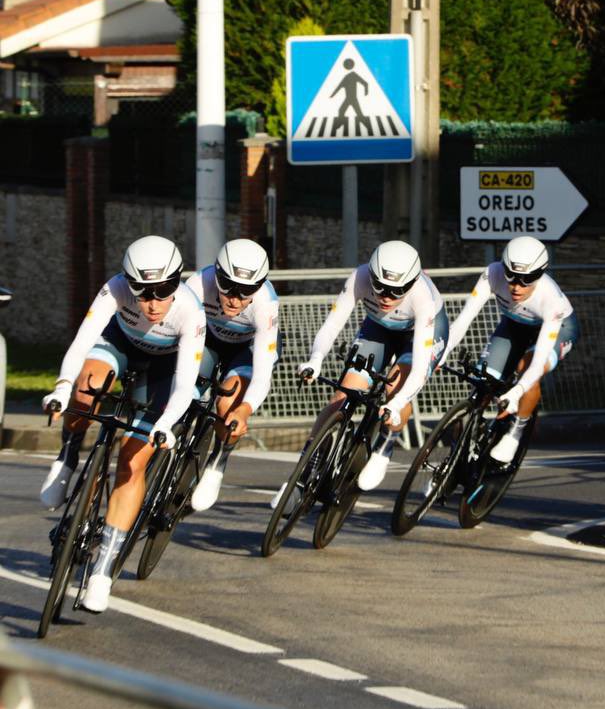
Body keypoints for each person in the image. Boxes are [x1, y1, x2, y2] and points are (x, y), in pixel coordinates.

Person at [40, 236, 205, 613]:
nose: (151, 303)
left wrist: (166, 424)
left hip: (164, 370)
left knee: (133, 462)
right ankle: (67, 457)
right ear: (128, 284)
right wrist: (62, 390)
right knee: (85, 390)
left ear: (177, 282)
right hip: (120, 344)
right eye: (142, 292)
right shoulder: (114, 289)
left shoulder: (190, 313)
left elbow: (185, 382)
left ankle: (102, 570)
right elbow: (81, 343)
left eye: (163, 291)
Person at [293, 240, 448, 492]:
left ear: (410, 285)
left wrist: (395, 404)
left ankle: (385, 445)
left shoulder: (422, 297)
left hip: (418, 336)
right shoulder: (360, 276)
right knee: (343, 394)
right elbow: (333, 324)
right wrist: (316, 359)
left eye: (396, 291)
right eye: (380, 287)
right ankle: (307, 463)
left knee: (396, 387)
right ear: (372, 275)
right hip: (378, 328)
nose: (386, 297)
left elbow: (419, 368)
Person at [437, 237, 578, 463]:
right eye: (510, 276)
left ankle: (515, 433)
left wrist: (517, 391)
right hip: (515, 325)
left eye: (527, 280)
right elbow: (463, 320)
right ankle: (464, 446)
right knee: (484, 380)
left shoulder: (550, 299)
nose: (516, 286)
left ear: (540, 274)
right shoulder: (492, 274)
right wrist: (441, 354)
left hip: (558, 329)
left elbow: (538, 361)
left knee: (526, 367)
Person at [186, 238, 280, 511]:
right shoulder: (198, 284)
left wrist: (245, 410)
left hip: (247, 348)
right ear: (217, 275)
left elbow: (262, 374)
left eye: (246, 291)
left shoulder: (265, 304)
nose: (235, 299)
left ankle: (219, 459)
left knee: (227, 404)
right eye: (227, 288)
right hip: (210, 340)